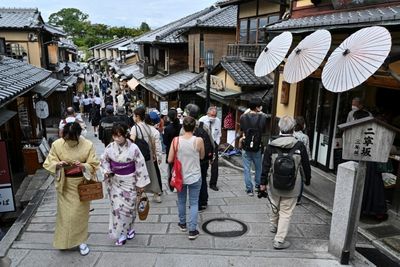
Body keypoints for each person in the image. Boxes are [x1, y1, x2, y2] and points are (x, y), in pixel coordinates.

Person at [43, 122, 99, 255]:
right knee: (65, 216)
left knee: (79, 215)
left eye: (71, 139)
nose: (68, 142)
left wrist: (84, 166)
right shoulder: (57, 144)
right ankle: (64, 241)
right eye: (66, 138)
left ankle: (81, 241)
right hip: (65, 184)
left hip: (81, 184)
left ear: (79, 136)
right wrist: (58, 164)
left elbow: (94, 164)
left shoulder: (88, 145)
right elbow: (49, 162)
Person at [260, 116, 311, 250]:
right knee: (286, 212)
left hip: (274, 182)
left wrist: (262, 182)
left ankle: (273, 225)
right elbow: (306, 165)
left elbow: (265, 165)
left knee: (274, 203)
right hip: (293, 184)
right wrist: (308, 179)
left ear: (279, 128)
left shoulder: (271, 144)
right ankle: (279, 240)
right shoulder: (299, 145)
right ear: (293, 128)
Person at [100, 123, 150, 245]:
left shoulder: (134, 148)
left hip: (130, 182)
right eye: (115, 136)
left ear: (125, 135)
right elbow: (103, 160)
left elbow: (140, 165)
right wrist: (106, 171)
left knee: (130, 209)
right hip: (115, 182)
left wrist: (140, 183)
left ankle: (130, 228)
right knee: (118, 209)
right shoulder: (110, 147)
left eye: (119, 136)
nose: (117, 139)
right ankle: (121, 234)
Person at [168, 116, 205, 240]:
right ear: (194, 127)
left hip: (180, 176)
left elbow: (169, 159)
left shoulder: (176, 140)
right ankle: (192, 230)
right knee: (194, 203)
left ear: (183, 127)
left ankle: (182, 224)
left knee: (182, 200)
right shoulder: (198, 140)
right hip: (195, 175)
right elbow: (202, 156)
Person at [183, 104, 214, 212]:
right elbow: (211, 141)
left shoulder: (185, 127)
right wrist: (211, 155)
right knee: (203, 179)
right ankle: (203, 202)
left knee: (193, 181)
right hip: (203, 159)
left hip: (190, 159)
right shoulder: (203, 126)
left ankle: (195, 203)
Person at [130, 107, 162, 200]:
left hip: (138, 154)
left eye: (134, 115)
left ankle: (142, 193)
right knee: (152, 173)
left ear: (137, 116)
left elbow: (131, 141)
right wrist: (154, 154)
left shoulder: (134, 128)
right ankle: (156, 193)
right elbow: (152, 141)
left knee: (140, 174)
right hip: (148, 153)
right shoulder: (148, 127)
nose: (133, 117)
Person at [239, 98, 268, 196]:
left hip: (246, 145)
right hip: (257, 146)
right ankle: (258, 186)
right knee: (258, 168)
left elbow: (242, 130)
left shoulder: (243, 117)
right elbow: (263, 130)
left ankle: (249, 190)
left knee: (247, 169)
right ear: (257, 107)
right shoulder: (263, 117)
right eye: (260, 106)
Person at [199, 106, 222, 191]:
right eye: (211, 115)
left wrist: (217, 144)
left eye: (214, 115)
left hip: (214, 144)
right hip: (204, 144)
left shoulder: (218, 121)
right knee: (203, 163)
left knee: (215, 164)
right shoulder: (202, 120)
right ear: (208, 113)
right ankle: (201, 180)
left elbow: (219, 133)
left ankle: (213, 183)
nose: (213, 117)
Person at [145, 112, 163, 203]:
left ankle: (142, 193)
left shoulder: (141, 129)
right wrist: (159, 156)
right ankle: (157, 192)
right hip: (152, 156)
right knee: (156, 173)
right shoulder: (155, 131)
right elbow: (158, 146)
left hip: (143, 155)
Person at [293, 116, 311, 205]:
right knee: (300, 178)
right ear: (303, 125)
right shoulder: (305, 137)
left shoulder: (291, 134)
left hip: (290, 158)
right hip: (300, 159)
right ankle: (298, 198)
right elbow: (306, 151)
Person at [163, 109, 182, 191]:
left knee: (171, 169)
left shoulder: (167, 128)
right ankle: (179, 182)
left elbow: (165, 141)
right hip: (180, 150)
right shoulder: (181, 126)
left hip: (170, 150)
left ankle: (172, 185)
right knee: (179, 167)